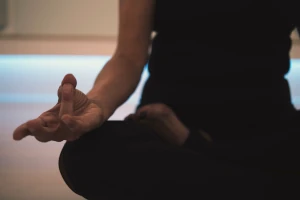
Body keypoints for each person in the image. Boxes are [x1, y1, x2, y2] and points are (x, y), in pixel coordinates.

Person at [13, 0, 300, 199]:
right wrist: (96, 105)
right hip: (162, 128)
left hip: (263, 133)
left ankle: (201, 156)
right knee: (85, 156)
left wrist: (190, 142)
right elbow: (128, 55)